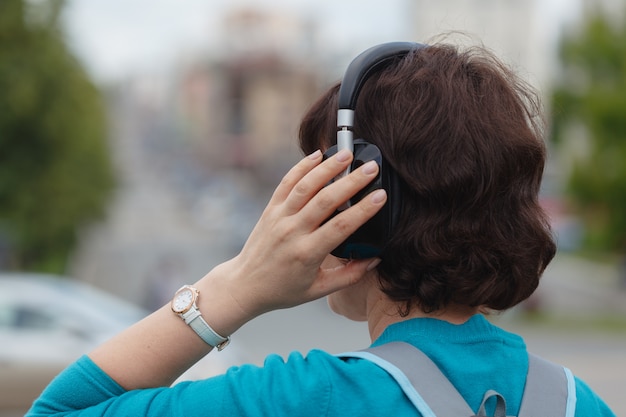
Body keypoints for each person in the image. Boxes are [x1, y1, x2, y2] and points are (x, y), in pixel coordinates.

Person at [27, 41, 616, 416]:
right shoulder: (578, 404)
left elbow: (55, 412)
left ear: (366, 209)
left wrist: (239, 285)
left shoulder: (306, 399)